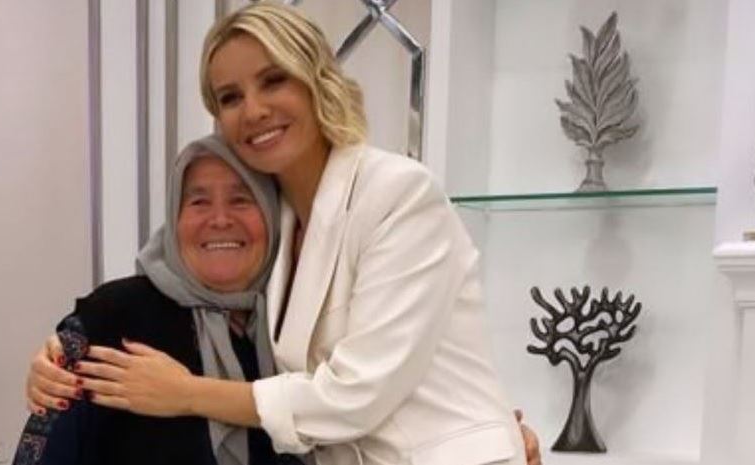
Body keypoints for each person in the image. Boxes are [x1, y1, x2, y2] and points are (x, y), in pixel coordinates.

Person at [27, 3, 542, 464]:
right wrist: (65, 349)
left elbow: (356, 394)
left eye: (273, 81)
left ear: (316, 80)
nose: (254, 110)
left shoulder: (398, 194)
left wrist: (185, 393)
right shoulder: (275, 235)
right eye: (230, 97)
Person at [16, 134, 304, 465]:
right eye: (199, 202)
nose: (220, 219)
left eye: (241, 200)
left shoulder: (297, 326)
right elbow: (41, 451)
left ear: (272, 213)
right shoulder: (114, 315)